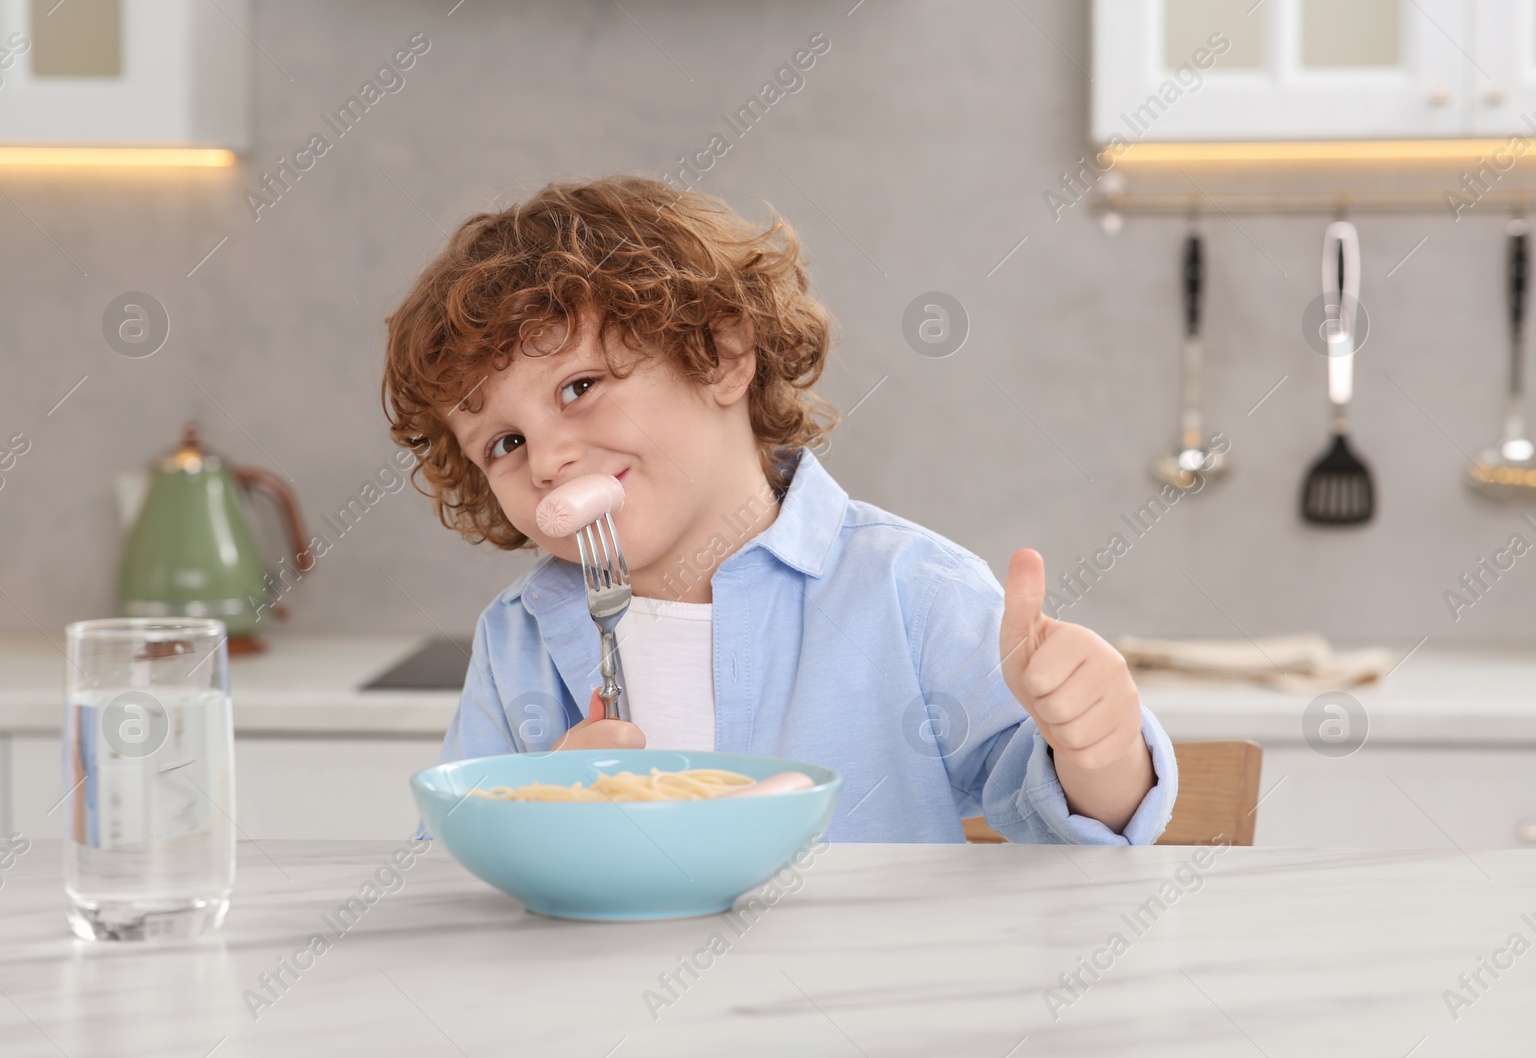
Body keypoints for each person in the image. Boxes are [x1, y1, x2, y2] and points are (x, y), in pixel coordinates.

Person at [383, 176, 1178, 843]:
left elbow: (1063, 821)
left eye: (579, 388)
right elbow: (447, 871)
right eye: (504, 444)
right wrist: (542, 814)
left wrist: (1099, 749)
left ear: (722, 358)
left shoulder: (910, 594)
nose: (548, 458)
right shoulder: (516, 638)